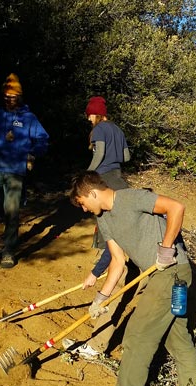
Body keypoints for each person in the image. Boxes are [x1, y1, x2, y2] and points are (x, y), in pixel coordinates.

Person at [69, 171, 196, 386]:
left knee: (137, 336)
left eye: (83, 203)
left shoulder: (131, 199)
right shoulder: (105, 220)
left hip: (173, 272)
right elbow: (118, 262)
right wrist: (101, 297)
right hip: (160, 277)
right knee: (177, 338)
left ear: (92, 193)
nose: (84, 209)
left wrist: (166, 248)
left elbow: (176, 207)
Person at [63, 96, 133, 360]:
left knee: (111, 239)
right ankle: (106, 264)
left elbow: (101, 153)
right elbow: (125, 155)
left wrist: (87, 176)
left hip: (103, 180)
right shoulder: (118, 129)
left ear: (94, 114)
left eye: (89, 115)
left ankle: (97, 341)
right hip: (119, 179)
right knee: (113, 239)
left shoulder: (101, 129)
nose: (88, 118)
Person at [0, 73, 49, 268]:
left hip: (15, 171)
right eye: (6, 96)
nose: (9, 100)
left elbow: (43, 140)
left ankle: (8, 251)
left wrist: (32, 154)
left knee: (12, 212)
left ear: (20, 96)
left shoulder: (29, 118)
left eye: (13, 97)